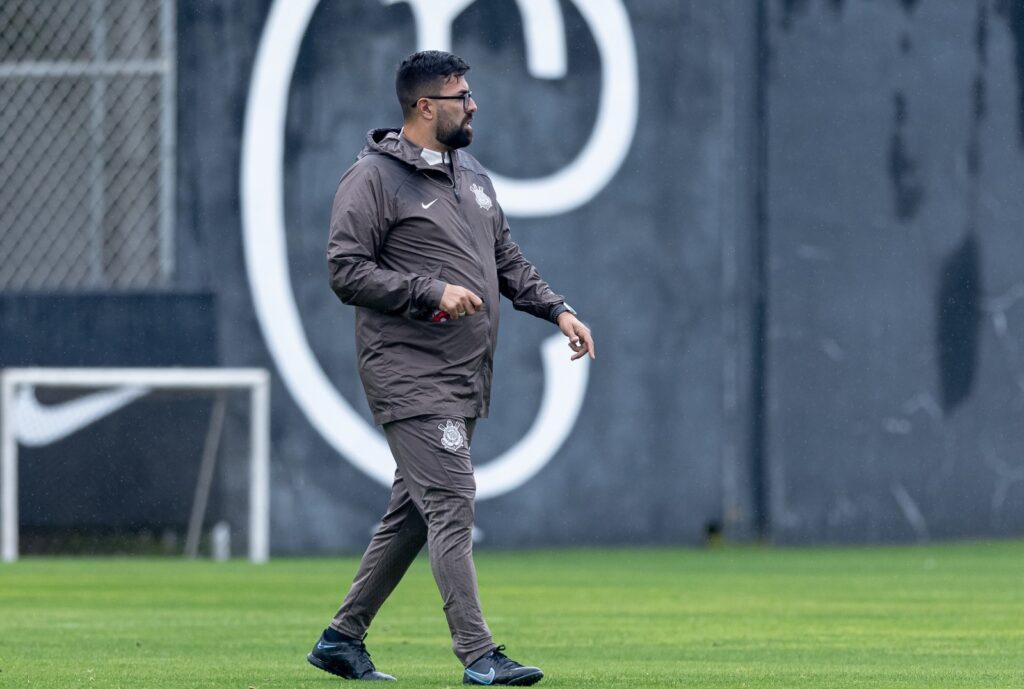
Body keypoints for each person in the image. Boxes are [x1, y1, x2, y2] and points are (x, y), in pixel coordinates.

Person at [308, 50, 595, 685]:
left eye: (469, 93)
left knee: (415, 511)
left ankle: (340, 639)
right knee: (453, 502)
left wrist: (559, 311)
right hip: (408, 372)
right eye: (460, 95)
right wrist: (427, 290)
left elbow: (509, 262)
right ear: (423, 107)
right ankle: (479, 655)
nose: (472, 104)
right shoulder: (373, 179)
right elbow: (344, 269)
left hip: (463, 374)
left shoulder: (472, 175)